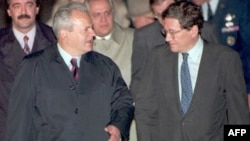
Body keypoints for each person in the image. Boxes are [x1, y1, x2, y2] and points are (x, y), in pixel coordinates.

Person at [5, 2, 134, 141]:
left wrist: (117, 126)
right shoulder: (33, 67)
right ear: (65, 34)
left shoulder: (105, 65)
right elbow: (19, 123)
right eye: (86, 29)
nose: (93, 33)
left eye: (91, 28)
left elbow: (123, 101)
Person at [135, 1, 250, 141]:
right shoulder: (157, 57)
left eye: (173, 32)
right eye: (165, 32)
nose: (167, 38)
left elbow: (238, 116)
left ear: (193, 30)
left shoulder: (226, 60)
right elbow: (145, 109)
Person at [130, 0, 218, 100]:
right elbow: (139, 81)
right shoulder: (145, 37)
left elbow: (218, 74)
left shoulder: (205, 30)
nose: (164, 21)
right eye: (159, 15)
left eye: (169, 13)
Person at [0, 0, 56, 140]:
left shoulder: (56, 40)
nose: (23, 11)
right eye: (17, 5)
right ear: (8, 11)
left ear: (37, 8)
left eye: (29, 4)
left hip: (48, 133)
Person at [86, 0, 136, 140]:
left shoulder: (134, 39)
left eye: (107, 13)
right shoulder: (80, 46)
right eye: (96, 15)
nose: (103, 19)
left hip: (129, 127)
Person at [192, 0, 250, 111]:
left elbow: (248, 52)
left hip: (234, 88)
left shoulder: (240, 5)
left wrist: (248, 91)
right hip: (201, 94)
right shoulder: (186, 6)